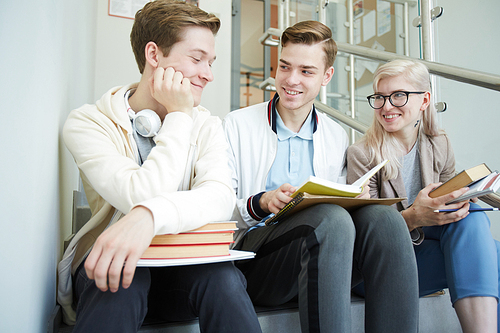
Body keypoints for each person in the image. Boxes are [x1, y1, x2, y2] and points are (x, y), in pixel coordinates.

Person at [57, 1, 262, 332]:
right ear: (154, 55)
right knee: (124, 281)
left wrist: (148, 216)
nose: (208, 74)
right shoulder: (88, 122)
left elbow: (221, 197)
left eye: (210, 62)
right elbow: (142, 193)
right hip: (112, 269)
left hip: (180, 273)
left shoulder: (207, 125)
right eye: (197, 59)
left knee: (222, 276)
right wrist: (179, 116)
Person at [223, 20, 419, 333]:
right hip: (256, 263)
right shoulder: (235, 125)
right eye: (284, 66)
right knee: (330, 218)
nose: (291, 80)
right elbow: (217, 208)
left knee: (385, 219)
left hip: (324, 257)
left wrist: (357, 200)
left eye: (306, 71)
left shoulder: (335, 135)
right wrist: (262, 201)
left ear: (326, 76)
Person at [347, 59, 500, 333]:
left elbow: (450, 211)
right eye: (380, 97)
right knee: (493, 254)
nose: (386, 106)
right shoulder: (362, 154)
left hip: (426, 254)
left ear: (424, 100)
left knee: (471, 216)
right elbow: (361, 236)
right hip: (376, 269)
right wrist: (411, 218)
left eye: (398, 96)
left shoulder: (439, 143)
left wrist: (463, 198)